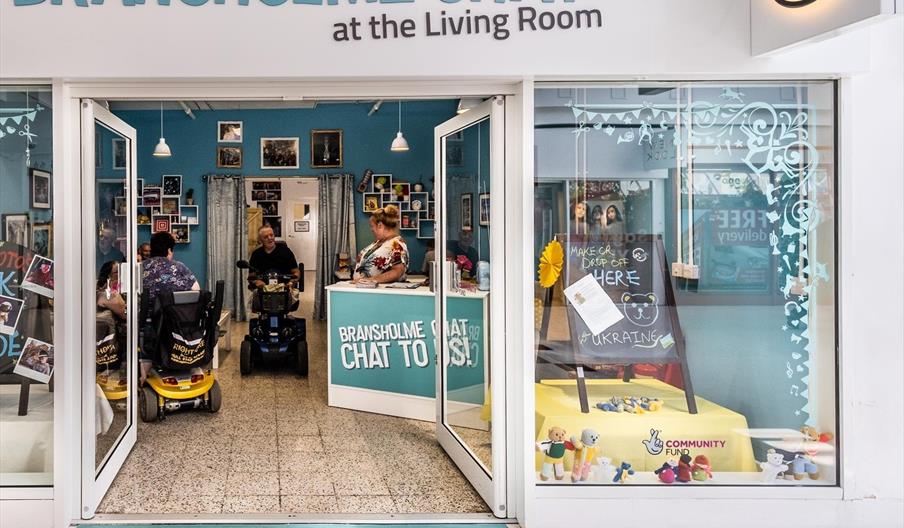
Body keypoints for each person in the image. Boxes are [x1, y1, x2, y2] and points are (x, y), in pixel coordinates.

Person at [140, 232, 199, 384]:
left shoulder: (140, 269)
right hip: (178, 326)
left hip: (149, 327)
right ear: (169, 250)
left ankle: (143, 373)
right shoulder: (179, 267)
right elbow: (196, 291)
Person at [353, 205, 409, 284]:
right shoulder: (378, 242)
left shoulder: (396, 244)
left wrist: (371, 280)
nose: (371, 230)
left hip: (379, 289)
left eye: (372, 226)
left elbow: (398, 271)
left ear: (380, 225)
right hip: (364, 288)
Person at [247, 225, 300, 290]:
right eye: (266, 237)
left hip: (285, 288)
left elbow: (296, 272)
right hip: (263, 289)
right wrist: (256, 282)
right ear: (260, 240)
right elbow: (251, 277)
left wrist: (291, 282)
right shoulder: (256, 254)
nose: (270, 238)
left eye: (271, 235)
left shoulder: (286, 251)